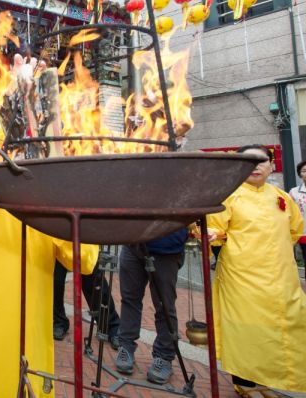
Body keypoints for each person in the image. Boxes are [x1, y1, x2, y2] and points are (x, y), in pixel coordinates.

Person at [0, 110, 99, 397]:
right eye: (17, 148)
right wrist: (13, 101)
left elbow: (82, 258)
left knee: (31, 377)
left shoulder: (50, 203)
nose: (23, 157)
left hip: (32, 312)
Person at [207, 145, 306, 395]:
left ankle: (269, 380)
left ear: (272, 165)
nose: (257, 165)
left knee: (285, 326)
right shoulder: (228, 196)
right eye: (249, 161)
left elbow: (295, 230)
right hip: (241, 278)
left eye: (262, 160)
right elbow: (214, 231)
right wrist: (209, 235)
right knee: (245, 328)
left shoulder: (282, 197)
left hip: (282, 278)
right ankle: (244, 383)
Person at [114, 227, 187, 384]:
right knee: (129, 299)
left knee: (164, 306)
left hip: (167, 247)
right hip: (133, 243)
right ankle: (125, 346)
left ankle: (164, 356)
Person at [53, 251, 121, 349]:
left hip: (84, 241)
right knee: (56, 279)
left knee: (93, 279)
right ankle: (58, 321)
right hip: (56, 240)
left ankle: (111, 326)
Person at [288, 159, 306, 280]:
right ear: (300, 174)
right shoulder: (294, 192)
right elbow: (290, 213)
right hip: (304, 231)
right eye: (304, 171)